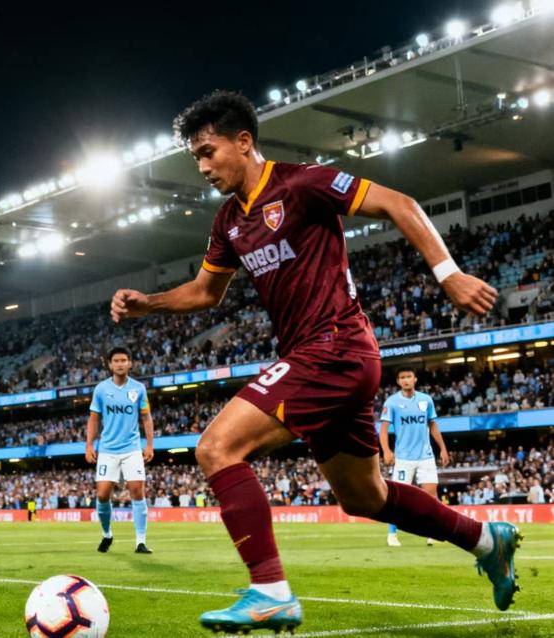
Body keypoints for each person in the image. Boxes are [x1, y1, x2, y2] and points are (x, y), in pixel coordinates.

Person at [111, 91, 519, 633]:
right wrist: (150, 303)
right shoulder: (229, 220)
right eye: (196, 158)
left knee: (216, 448)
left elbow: (400, 203)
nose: (203, 167)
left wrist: (449, 274)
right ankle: (488, 540)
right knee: (364, 497)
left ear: (243, 141)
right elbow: (207, 292)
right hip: (322, 358)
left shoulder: (301, 184)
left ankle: (270, 592)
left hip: (335, 346)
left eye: (208, 152)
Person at [85, 347, 155, 554]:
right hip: (107, 449)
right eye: (116, 361)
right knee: (102, 494)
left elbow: (146, 417)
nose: (120, 364)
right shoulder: (101, 389)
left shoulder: (138, 389)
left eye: (124, 360)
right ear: (110, 365)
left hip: (132, 448)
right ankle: (107, 534)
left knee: (137, 491)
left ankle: (140, 541)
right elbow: (94, 419)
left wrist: (149, 444)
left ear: (130, 363)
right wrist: (89, 445)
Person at [379, 367, 447, 547]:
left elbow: (433, 425)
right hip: (403, 458)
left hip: (426, 456)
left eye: (409, 376)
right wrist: (386, 450)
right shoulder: (392, 402)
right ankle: (392, 534)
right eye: (402, 377)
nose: (406, 380)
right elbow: (383, 429)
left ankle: (433, 532)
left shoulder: (426, 400)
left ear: (415, 379)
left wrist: (442, 448)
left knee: (432, 495)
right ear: (398, 381)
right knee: (398, 498)